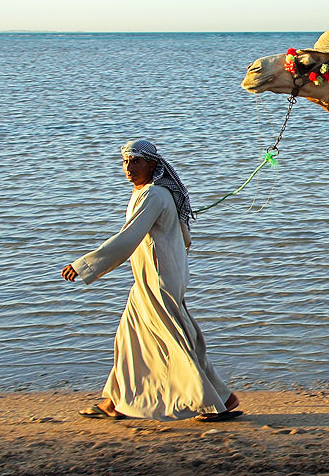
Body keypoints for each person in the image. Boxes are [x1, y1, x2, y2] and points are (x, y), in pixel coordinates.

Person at [61, 139, 241, 422]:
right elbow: (183, 235)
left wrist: (84, 265)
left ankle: (212, 402)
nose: (129, 168)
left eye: (136, 161)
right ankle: (114, 402)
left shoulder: (154, 195)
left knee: (173, 339)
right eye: (125, 162)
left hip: (158, 279)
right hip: (155, 277)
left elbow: (128, 239)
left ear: (153, 165)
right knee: (130, 338)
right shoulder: (150, 193)